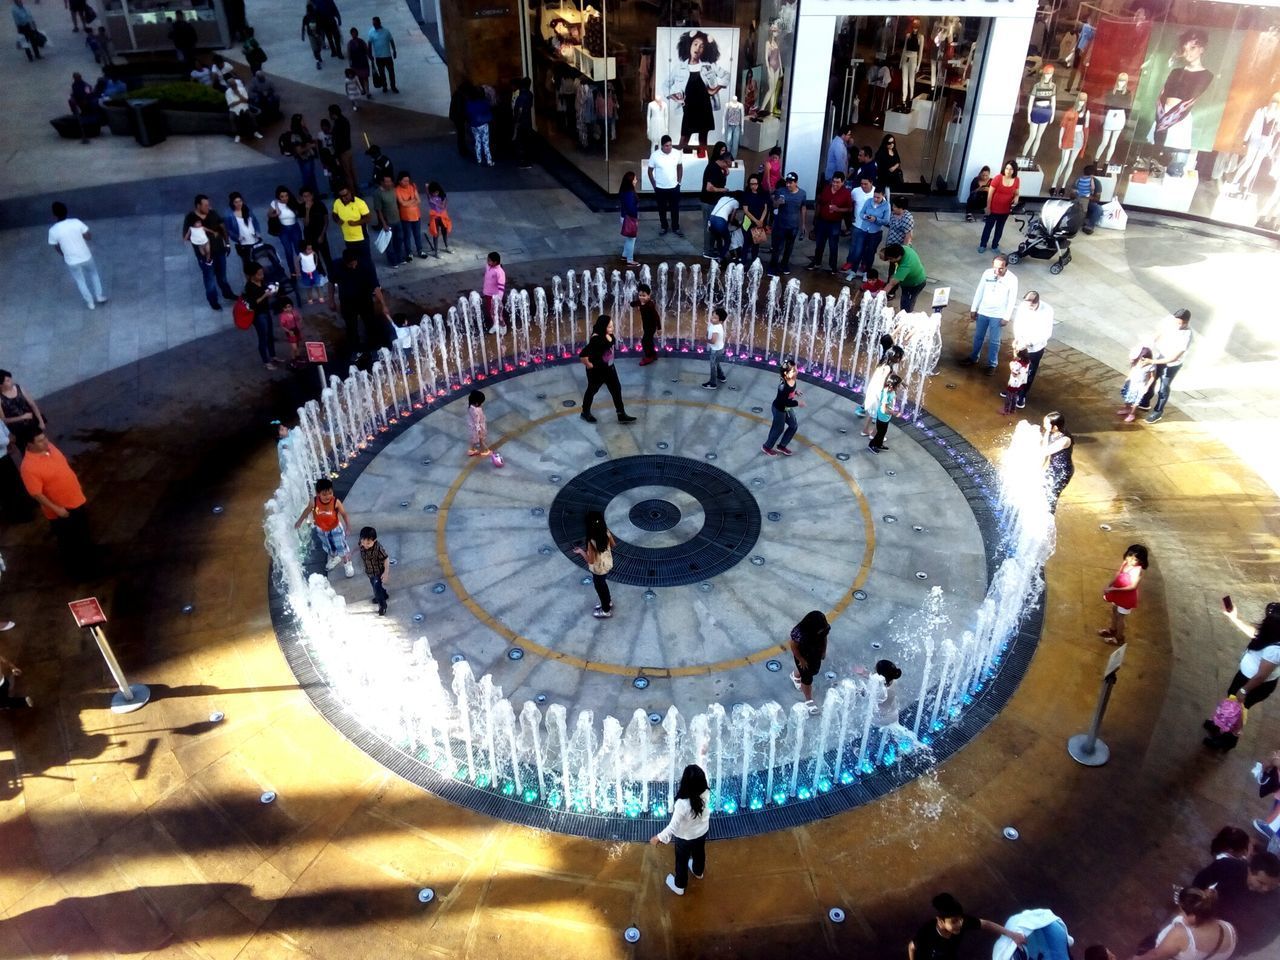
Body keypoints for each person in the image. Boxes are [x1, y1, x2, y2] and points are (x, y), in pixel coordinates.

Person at [20, 430, 93, 576]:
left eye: (45, 437)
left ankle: (89, 560)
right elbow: (36, 494)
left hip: (76, 499)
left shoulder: (50, 447)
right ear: (30, 445)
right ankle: (79, 573)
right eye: (40, 441)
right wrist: (57, 509)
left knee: (83, 534)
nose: (46, 442)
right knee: (70, 543)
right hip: (62, 510)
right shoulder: (28, 467)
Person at [649, 763, 711, 896]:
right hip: (702, 832)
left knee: (681, 861)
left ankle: (679, 886)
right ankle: (698, 872)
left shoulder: (682, 804)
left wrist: (658, 837)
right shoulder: (706, 791)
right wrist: (703, 755)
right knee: (699, 853)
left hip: (685, 838)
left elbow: (673, 826)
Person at [907, 892, 1026, 959]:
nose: (959, 924)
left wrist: (1012, 935)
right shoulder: (927, 933)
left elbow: (985, 924)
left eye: (960, 919)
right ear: (940, 921)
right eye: (954, 921)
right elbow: (912, 947)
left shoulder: (962, 922)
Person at [1133, 887, 1235, 960]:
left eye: (1182, 911)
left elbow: (1155, 955)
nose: (1181, 914)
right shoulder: (1229, 929)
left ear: (1193, 916)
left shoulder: (1180, 935)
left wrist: (1137, 958)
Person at [666, 30, 727, 150]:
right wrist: (675, 98)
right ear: (689, 45)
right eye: (695, 44)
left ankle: (702, 162)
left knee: (703, 139)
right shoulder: (680, 67)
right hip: (689, 109)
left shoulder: (708, 66)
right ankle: (678, 161)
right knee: (684, 139)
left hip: (704, 108)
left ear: (705, 50)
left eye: (702, 46)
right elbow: (665, 85)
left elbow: (726, 76)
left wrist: (715, 89)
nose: (698, 48)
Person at [962, 254, 1018, 373]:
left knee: (994, 341)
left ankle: (992, 364)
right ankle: (973, 357)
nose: (997, 271)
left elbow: (1012, 300)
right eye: (995, 267)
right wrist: (974, 308)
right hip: (983, 311)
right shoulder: (987, 273)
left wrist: (1006, 317)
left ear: (1006, 266)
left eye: (1001, 268)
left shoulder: (1012, 279)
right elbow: (980, 290)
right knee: (978, 337)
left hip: (998, 315)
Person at [1220, 599, 1280, 710]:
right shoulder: (1272, 635)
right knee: (1232, 702)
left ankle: (1226, 725)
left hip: (1253, 683)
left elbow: (1261, 676)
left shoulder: (1275, 651)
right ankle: (1221, 721)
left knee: (1238, 708)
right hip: (1248, 677)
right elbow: (1255, 634)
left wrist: (1244, 690)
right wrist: (1233, 617)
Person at [48, 202, 108, 311]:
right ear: (66, 212)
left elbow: (56, 246)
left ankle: (90, 303)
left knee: (80, 280)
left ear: (54, 215)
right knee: (94, 274)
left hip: (71, 261)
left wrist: (63, 254)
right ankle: (99, 296)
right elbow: (88, 236)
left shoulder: (52, 231)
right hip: (86, 256)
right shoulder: (76, 222)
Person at [578, 316, 636, 425]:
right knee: (592, 390)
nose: (612, 328)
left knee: (616, 389)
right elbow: (583, 353)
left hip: (609, 368)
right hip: (597, 371)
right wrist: (589, 364)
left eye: (612, 326)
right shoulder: (596, 339)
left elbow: (610, 343)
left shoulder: (608, 335)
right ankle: (585, 412)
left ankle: (621, 414)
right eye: (609, 327)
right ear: (603, 327)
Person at [1138, 309, 1192, 424]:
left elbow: (1173, 358)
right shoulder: (1170, 321)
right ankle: (1145, 401)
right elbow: (1159, 333)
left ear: (1186, 322)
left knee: (1164, 387)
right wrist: (1147, 345)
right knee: (1152, 379)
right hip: (1161, 355)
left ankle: (1158, 411)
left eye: (1179, 323)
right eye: (1175, 322)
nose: (1176, 325)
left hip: (1172, 364)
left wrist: (1151, 361)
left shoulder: (1186, 336)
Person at [183, 195, 237, 311]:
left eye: (208, 204)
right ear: (198, 206)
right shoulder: (190, 218)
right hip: (205, 256)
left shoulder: (213, 213)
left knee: (222, 276)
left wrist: (227, 244)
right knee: (209, 279)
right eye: (205, 205)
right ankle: (213, 301)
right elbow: (186, 236)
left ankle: (227, 293)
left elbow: (222, 227)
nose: (208, 207)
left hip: (219, 250)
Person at [294, 478, 355, 578]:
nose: (328, 496)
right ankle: (335, 558)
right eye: (324, 494)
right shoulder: (314, 502)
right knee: (329, 547)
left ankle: (347, 562)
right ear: (318, 494)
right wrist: (300, 521)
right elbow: (307, 511)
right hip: (322, 530)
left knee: (342, 547)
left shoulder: (336, 502)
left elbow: (344, 514)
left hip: (335, 529)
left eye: (330, 493)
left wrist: (348, 527)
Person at [332, 246, 384, 356]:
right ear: (345, 262)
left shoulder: (367, 264)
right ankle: (355, 350)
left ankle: (374, 348)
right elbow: (331, 283)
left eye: (354, 263)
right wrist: (331, 300)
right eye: (350, 265)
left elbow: (375, 285)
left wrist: (383, 304)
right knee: (351, 326)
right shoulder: (336, 266)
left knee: (370, 323)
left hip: (365, 299)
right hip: (347, 302)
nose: (353, 266)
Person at [1007, 291, 1054, 408]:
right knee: (1016, 367)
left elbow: (1046, 333)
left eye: (1032, 305)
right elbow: (1017, 323)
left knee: (1029, 372)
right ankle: (1012, 389)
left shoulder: (1047, 311)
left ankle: (1022, 395)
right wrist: (1017, 339)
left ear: (1036, 302)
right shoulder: (1023, 306)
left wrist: (1029, 343)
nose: (1029, 307)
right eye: (1027, 304)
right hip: (1020, 345)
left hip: (1035, 347)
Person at [1097, 544, 1148, 645]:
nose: (1131, 560)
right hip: (1118, 594)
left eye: (1135, 559)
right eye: (1130, 556)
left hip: (1126, 597)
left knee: (1121, 616)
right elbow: (1118, 575)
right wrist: (1110, 585)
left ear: (1141, 561)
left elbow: (1133, 586)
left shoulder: (1137, 571)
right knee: (1115, 610)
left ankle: (1119, 637)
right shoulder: (1125, 564)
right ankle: (1112, 629)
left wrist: (1114, 588)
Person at [572, 510, 617, 618]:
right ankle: (608, 602)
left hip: (598, 569)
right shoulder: (606, 532)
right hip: (607, 564)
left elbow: (590, 560)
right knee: (603, 585)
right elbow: (613, 544)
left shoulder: (591, 541)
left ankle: (606, 610)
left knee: (600, 589)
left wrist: (581, 552)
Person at [809, 172, 852, 274]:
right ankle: (816, 262)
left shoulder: (846, 193)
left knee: (833, 245)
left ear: (842, 182)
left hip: (835, 222)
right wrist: (816, 218)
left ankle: (833, 266)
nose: (835, 184)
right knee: (819, 244)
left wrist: (838, 209)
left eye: (837, 182)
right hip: (822, 220)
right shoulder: (826, 188)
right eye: (833, 182)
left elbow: (849, 209)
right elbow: (820, 202)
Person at [846, 181, 890, 281]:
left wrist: (876, 220)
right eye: (874, 196)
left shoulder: (886, 206)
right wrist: (866, 217)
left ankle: (866, 272)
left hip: (875, 233)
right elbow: (861, 213)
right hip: (863, 230)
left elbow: (886, 220)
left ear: (883, 196)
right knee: (858, 251)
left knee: (870, 254)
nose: (875, 199)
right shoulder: (869, 201)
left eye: (878, 197)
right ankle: (853, 271)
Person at [788, 610, 829, 715]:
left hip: (815, 653)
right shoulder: (799, 633)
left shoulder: (823, 628)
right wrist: (801, 659)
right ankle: (809, 700)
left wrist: (823, 651)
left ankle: (795, 675)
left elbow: (824, 638)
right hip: (803, 655)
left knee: (813, 671)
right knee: (807, 677)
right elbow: (793, 645)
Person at [242, 263, 280, 370]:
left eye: (262, 273)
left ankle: (273, 356)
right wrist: (265, 295)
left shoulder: (261, 282)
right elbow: (254, 303)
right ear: (252, 275)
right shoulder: (249, 287)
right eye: (259, 274)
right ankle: (266, 361)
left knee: (270, 335)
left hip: (266, 311)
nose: (261, 276)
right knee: (263, 337)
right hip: (258, 315)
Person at [331, 181, 374, 276]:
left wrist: (356, 223)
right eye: (341, 196)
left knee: (366, 260)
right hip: (348, 239)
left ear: (350, 192)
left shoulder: (359, 203)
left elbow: (368, 218)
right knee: (353, 261)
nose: (344, 198)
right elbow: (334, 215)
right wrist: (337, 220)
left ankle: (371, 278)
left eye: (346, 195)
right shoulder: (337, 203)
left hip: (361, 238)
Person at [768, 173, 806, 276]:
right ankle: (772, 266)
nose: (788, 185)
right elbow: (774, 205)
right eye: (787, 183)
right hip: (780, 225)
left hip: (793, 226)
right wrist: (777, 203)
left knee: (789, 248)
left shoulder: (802, 194)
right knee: (777, 248)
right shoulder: (780, 191)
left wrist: (803, 224)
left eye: (790, 183)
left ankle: (784, 265)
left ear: (796, 183)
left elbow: (803, 208)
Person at [761, 359, 801, 456]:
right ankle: (766, 447)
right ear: (787, 374)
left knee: (793, 425)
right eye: (794, 370)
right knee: (778, 429)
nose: (797, 371)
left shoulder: (791, 379)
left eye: (796, 369)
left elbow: (788, 396)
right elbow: (785, 401)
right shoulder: (784, 386)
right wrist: (798, 403)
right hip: (779, 409)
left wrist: (795, 393)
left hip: (786, 408)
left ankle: (782, 446)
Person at [979, 160, 1020, 253]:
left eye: (1011, 169)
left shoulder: (1017, 180)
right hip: (994, 209)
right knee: (988, 227)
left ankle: (995, 245)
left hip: (1005, 210)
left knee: (999, 228)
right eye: (1007, 168)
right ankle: (982, 244)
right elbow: (990, 194)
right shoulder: (998, 178)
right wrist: (988, 207)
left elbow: (1017, 193)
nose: (1008, 171)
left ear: (1015, 170)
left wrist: (1016, 199)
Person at [0, 371, 46, 453]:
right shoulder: (1, 399)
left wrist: (41, 421)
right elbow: (4, 420)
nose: (11, 381)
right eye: (7, 381)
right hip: (18, 430)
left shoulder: (18, 388)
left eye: (10, 379)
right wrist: (21, 417)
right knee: (26, 451)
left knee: (42, 444)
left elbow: (32, 405)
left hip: (32, 424)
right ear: (1, 385)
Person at [648, 136, 684, 237]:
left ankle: (675, 227)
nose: (669, 148)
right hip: (660, 188)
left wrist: (679, 181)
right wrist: (654, 185)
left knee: (675, 209)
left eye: (670, 145)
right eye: (667, 146)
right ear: (662, 146)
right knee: (662, 209)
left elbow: (680, 166)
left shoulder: (677, 153)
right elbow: (650, 171)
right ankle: (664, 227)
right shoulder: (655, 155)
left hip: (674, 187)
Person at [1040, 411, 1074, 513]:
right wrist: (1039, 468)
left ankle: (1049, 517)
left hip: (1063, 471)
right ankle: (1042, 512)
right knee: (1043, 488)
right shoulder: (1052, 433)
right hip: (1053, 466)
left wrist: (1046, 434)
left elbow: (1046, 451)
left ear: (1055, 427)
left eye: (1046, 424)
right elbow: (1044, 456)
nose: (1044, 425)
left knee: (1052, 495)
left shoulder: (1065, 440)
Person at [268, 186, 304, 278]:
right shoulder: (274, 203)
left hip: (294, 227)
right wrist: (276, 213)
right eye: (282, 196)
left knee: (298, 250)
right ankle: (293, 272)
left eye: (286, 196)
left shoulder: (293, 201)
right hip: (283, 230)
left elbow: (303, 202)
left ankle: (303, 270)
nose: (285, 198)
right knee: (288, 251)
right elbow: (269, 214)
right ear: (278, 197)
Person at [699, 154, 731, 258]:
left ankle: (711, 249)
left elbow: (718, 182)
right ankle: (707, 251)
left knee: (712, 226)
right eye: (728, 165)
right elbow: (709, 188)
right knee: (709, 227)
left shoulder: (718, 168)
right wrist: (723, 190)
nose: (728, 167)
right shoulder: (713, 168)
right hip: (708, 202)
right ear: (723, 161)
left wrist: (725, 174)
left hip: (713, 202)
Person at [880, 244, 927, 313]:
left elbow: (891, 284)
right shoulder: (904, 248)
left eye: (891, 259)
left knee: (906, 304)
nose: (890, 261)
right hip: (908, 280)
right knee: (905, 298)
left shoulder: (905, 266)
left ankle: (906, 318)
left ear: (899, 257)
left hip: (915, 284)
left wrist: (879, 297)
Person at [371, 173, 403, 270]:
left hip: (397, 219)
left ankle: (399, 258)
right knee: (389, 243)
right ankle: (393, 261)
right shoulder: (378, 193)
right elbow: (378, 210)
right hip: (388, 221)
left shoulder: (393, 189)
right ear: (382, 182)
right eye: (387, 182)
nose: (389, 183)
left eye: (390, 181)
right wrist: (384, 224)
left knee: (399, 239)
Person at [393, 173, 428, 261]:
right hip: (405, 217)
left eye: (408, 180)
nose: (407, 182)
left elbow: (418, 200)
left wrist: (408, 203)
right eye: (405, 181)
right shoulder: (397, 190)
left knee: (417, 234)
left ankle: (420, 250)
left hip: (416, 215)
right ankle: (409, 252)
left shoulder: (412, 186)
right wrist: (413, 201)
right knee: (407, 235)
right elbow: (402, 203)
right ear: (399, 181)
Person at [1117, 347, 1156, 423]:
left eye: (1143, 358)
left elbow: (1152, 377)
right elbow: (1132, 369)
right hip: (1132, 383)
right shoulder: (1136, 361)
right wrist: (1129, 377)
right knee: (1128, 398)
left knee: (1136, 401)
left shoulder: (1151, 366)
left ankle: (1132, 414)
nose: (1141, 359)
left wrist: (1147, 387)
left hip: (1141, 386)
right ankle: (1127, 408)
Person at [739, 173, 771, 266]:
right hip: (749, 223)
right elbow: (746, 210)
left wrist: (761, 220)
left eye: (755, 184)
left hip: (759, 224)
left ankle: (753, 263)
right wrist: (756, 220)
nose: (753, 186)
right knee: (746, 243)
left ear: (759, 184)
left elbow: (765, 208)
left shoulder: (763, 194)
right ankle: (743, 264)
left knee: (756, 243)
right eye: (751, 184)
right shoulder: (746, 195)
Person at [867, 373, 902, 454]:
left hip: (886, 417)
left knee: (883, 432)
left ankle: (879, 445)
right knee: (880, 433)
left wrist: (902, 383)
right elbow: (883, 409)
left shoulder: (890, 390)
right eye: (899, 385)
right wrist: (894, 413)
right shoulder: (886, 394)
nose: (900, 387)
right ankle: (872, 445)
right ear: (894, 386)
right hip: (882, 416)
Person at [359, 526, 389, 615]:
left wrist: (386, 572)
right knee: (376, 586)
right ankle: (384, 594)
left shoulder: (378, 549)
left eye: (368, 543)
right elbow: (360, 546)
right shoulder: (361, 544)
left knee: (376, 588)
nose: (365, 545)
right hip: (369, 571)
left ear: (374, 541)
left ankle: (382, 605)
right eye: (363, 542)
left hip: (378, 572)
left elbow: (386, 558)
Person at [225, 76, 262, 145]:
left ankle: (255, 132)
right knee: (232, 118)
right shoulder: (227, 92)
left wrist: (238, 94)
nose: (234, 86)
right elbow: (230, 105)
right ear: (229, 85)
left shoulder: (242, 89)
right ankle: (237, 135)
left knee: (251, 116)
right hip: (234, 109)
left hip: (244, 107)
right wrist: (240, 101)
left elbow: (246, 100)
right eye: (232, 85)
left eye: (235, 84)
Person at [329, 105, 357, 190]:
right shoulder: (344, 120)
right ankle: (356, 188)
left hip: (343, 152)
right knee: (351, 171)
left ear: (333, 114)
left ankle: (352, 191)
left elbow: (338, 140)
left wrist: (336, 154)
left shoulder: (338, 124)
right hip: (348, 149)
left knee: (347, 173)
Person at [367, 17, 397, 94]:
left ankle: (393, 86)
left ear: (379, 23)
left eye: (375, 24)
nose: (374, 25)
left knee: (391, 72)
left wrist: (394, 50)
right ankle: (384, 86)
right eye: (373, 24)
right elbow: (369, 44)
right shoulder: (371, 32)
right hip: (378, 57)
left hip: (387, 56)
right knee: (382, 73)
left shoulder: (386, 31)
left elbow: (391, 40)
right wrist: (369, 54)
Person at [467, 86, 495, 166]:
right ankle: (489, 161)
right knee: (486, 143)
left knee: (477, 142)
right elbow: (488, 111)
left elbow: (468, 113)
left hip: (473, 125)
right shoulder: (484, 102)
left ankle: (479, 159)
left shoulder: (469, 102)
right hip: (483, 124)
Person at [1073, 163, 1104, 234]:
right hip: (1078, 200)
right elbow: (1071, 195)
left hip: (1090, 202)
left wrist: (1088, 197)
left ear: (1092, 175)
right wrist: (1076, 194)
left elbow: (1097, 199)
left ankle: (1089, 226)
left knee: (1099, 209)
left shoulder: (1096, 182)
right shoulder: (1079, 180)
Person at [636, 283, 661, 366]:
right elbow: (634, 303)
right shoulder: (641, 302)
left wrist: (659, 327)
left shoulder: (650, 305)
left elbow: (656, 316)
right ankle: (653, 354)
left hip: (651, 326)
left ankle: (648, 357)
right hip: (646, 326)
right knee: (649, 341)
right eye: (640, 295)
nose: (641, 297)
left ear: (648, 296)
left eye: (644, 295)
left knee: (645, 341)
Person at [702, 307, 727, 389]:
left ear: (721, 321)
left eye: (715, 318)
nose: (712, 318)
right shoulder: (715, 324)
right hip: (718, 349)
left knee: (713, 366)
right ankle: (721, 377)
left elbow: (713, 341)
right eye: (712, 316)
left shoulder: (716, 328)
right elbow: (709, 331)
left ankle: (713, 384)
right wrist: (707, 334)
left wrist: (705, 340)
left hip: (716, 350)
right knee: (717, 363)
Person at [512, 77, 534, 168]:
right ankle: (527, 160)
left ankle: (523, 162)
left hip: (522, 122)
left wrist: (516, 122)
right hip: (528, 120)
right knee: (526, 141)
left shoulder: (521, 97)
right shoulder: (530, 94)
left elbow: (519, 110)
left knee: (521, 142)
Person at [619, 171, 640, 267]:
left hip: (624, 217)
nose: (636, 180)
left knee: (629, 238)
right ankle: (630, 260)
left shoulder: (624, 191)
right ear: (631, 181)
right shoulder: (630, 193)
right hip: (629, 219)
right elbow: (631, 208)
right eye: (635, 179)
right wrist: (635, 220)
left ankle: (624, 255)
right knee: (632, 239)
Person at [483, 252, 506, 335]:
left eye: (489, 260)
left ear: (495, 262)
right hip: (487, 294)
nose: (487, 261)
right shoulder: (488, 266)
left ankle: (503, 326)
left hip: (495, 296)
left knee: (498, 312)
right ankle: (495, 325)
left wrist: (499, 298)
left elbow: (501, 287)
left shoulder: (500, 272)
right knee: (491, 311)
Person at [426, 182, 452, 256]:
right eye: (434, 192)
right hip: (435, 218)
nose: (435, 194)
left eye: (437, 192)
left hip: (442, 216)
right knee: (435, 234)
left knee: (444, 231)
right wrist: (427, 188)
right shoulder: (430, 197)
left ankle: (447, 246)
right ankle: (436, 252)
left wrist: (435, 202)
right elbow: (427, 190)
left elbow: (442, 206)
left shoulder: (442, 197)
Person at [346, 28, 372, 98]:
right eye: (353, 33)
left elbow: (366, 50)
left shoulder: (361, 41)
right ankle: (364, 89)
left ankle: (367, 92)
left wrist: (370, 57)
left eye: (356, 32)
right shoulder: (350, 43)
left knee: (365, 77)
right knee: (360, 77)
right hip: (356, 63)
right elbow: (349, 54)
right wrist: (350, 63)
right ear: (351, 34)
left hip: (363, 62)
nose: (355, 34)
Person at [277, 295, 303, 366]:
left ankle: (298, 357)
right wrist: (288, 331)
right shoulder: (283, 316)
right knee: (294, 347)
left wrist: (300, 320)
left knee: (297, 345)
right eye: (285, 308)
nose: (288, 309)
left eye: (289, 307)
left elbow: (299, 317)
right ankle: (293, 359)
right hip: (290, 332)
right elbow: (282, 326)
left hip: (296, 330)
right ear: (282, 308)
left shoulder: (294, 312)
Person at [1003, 349, 1029, 416]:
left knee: (1009, 396)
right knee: (1015, 396)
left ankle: (1006, 410)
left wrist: (1011, 364)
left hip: (1014, 383)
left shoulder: (1017, 364)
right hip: (1020, 383)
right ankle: (1013, 409)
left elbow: (1014, 374)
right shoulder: (1028, 362)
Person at [301, 4, 326, 69]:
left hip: (318, 33)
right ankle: (317, 60)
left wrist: (322, 33)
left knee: (319, 46)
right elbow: (303, 26)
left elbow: (321, 25)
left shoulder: (317, 16)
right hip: (311, 35)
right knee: (315, 48)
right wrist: (302, 35)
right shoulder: (306, 17)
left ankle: (318, 56)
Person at [467, 390, 491, 458]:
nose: (482, 404)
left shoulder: (471, 406)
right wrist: (479, 431)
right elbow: (476, 422)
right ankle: (486, 451)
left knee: (475, 439)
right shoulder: (475, 411)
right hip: (477, 427)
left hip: (474, 426)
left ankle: (472, 450)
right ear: (477, 403)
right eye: (481, 403)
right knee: (481, 439)